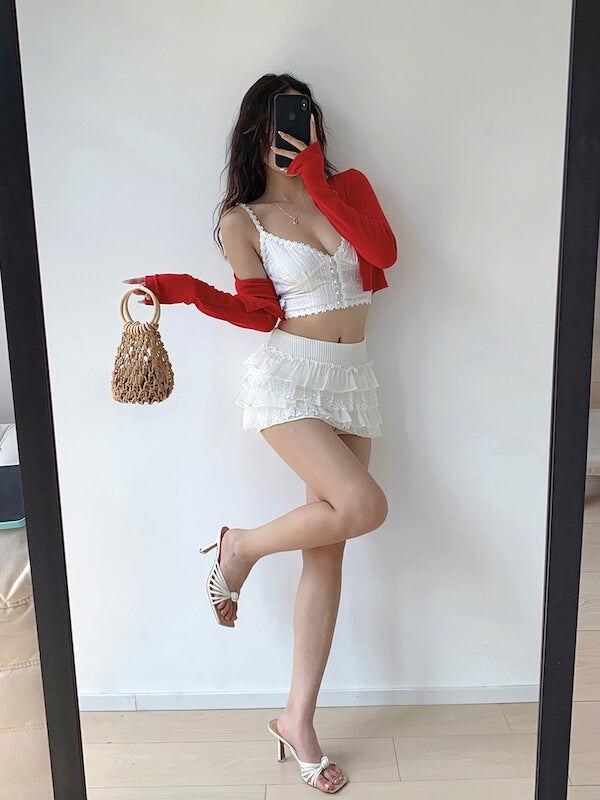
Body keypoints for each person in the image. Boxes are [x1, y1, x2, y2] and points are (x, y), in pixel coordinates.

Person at [124, 72, 396, 795]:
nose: (298, 130)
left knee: (330, 550)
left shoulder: (350, 188)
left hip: (353, 378)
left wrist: (319, 179)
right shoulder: (240, 220)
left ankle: (296, 720)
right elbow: (257, 313)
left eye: (305, 118)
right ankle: (238, 548)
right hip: (290, 380)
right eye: (282, 120)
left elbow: (383, 251)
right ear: (257, 131)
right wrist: (180, 289)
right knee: (364, 506)